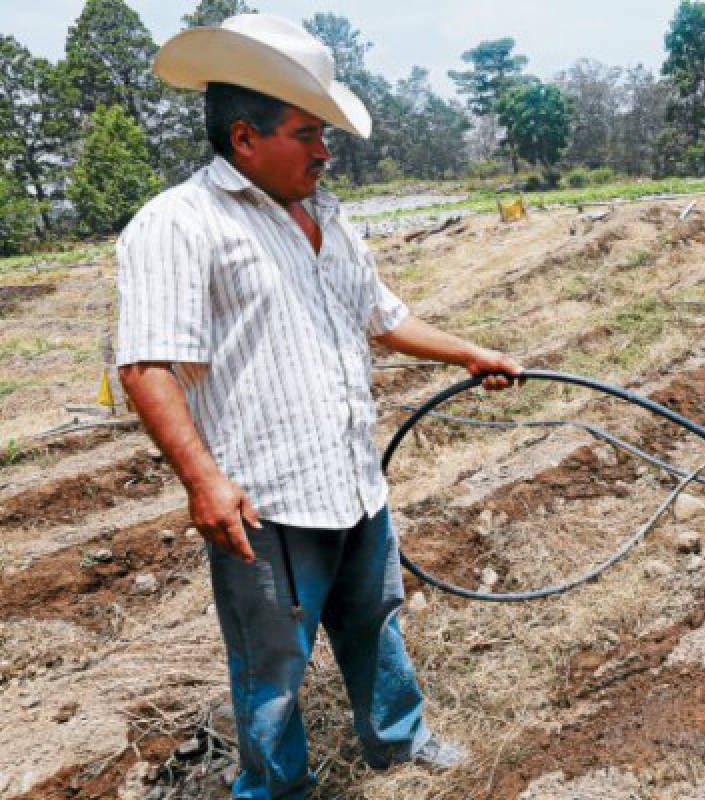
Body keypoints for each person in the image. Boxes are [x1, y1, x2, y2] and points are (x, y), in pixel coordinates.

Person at [115, 14, 522, 800]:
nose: (324, 151)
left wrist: (468, 352)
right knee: (272, 666)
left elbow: (383, 317)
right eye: (307, 133)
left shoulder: (327, 218)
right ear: (243, 137)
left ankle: (399, 744)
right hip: (265, 503)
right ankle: (277, 789)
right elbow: (146, 366)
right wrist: (204, 482)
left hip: (352, 480)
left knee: (376, 625)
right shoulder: (180, 224)